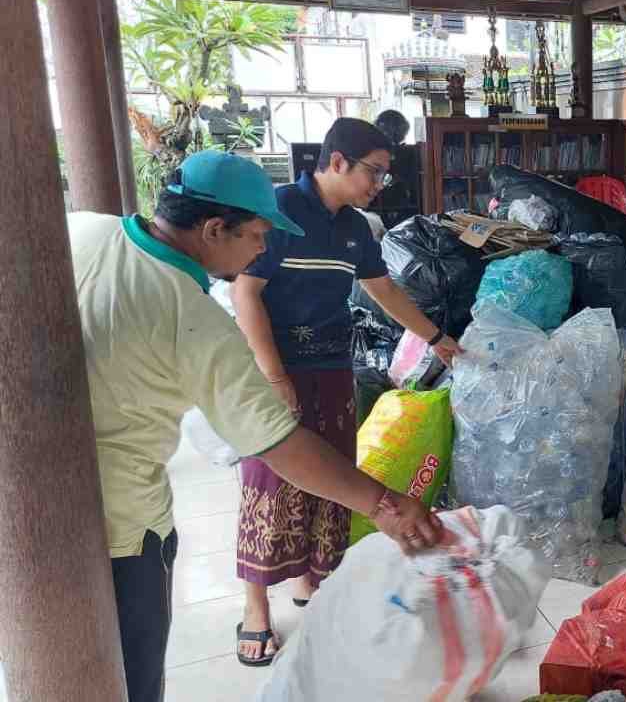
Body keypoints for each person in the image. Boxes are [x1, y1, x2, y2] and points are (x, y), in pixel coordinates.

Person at [68, 149, 443, 702]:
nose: (265, 248)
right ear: (215, 229)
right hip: (122, 529)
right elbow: (281, 446)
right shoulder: (191, 317)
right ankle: (256, 606)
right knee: (129, 675)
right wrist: (388, 505)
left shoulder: (79, 230)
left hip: (36, 512)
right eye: (257, 235)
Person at [231, 117, 462, 665]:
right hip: (275, 365)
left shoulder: (357, 227)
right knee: (269, 479)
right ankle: (255, 607)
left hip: (333, 365)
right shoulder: (278, 213)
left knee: (334, 472)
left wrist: (435, 338)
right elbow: (246, 297)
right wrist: (275, 376)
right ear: (337, 161)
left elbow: (382, 289)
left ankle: (314, 581)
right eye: (374, 171)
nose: (380, 183)